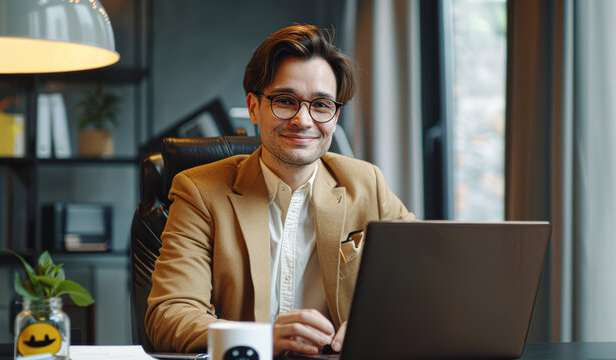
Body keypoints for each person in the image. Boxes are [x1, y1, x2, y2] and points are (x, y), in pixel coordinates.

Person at [145, 24, 415, 356]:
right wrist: (263, 338)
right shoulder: (199, 192)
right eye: (285, 101)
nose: (303, 120)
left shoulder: (367, 184)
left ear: (335, 115)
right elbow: (169, 317)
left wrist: (376, 324)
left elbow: (420, 285)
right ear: (254, 107)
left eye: (321, 105)